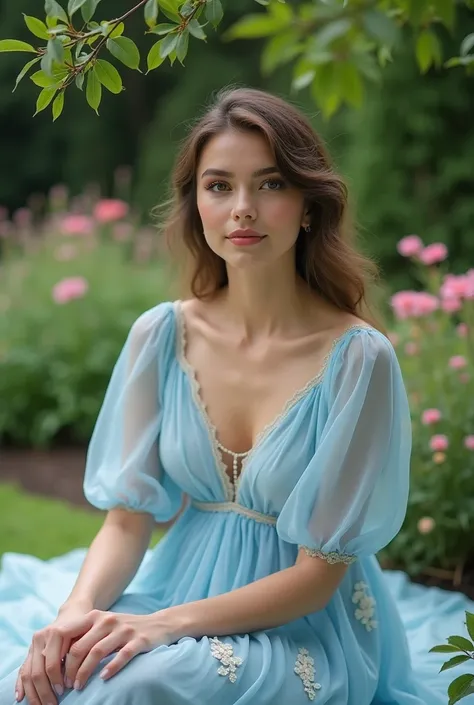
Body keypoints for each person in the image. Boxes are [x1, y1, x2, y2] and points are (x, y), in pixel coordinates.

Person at [0, 86, 472, 705]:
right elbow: (125, 520)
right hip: (177, 587)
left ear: (308, 206)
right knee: (60, 675)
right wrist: (76, 611)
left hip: (302, 627)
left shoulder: (358, 359)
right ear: (196, 203)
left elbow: (314, 579)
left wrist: (158, 628)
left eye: (271, 184)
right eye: (219, 185)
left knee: (137, 684)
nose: (242, 208)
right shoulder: (161, 335)